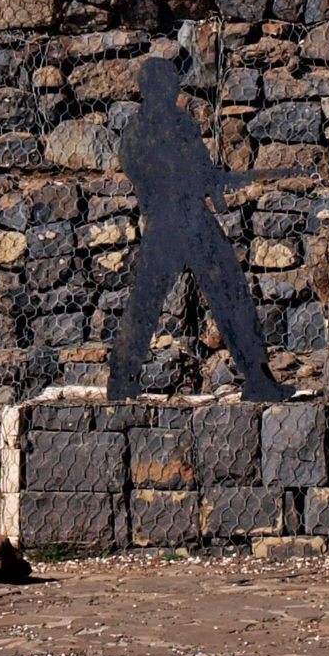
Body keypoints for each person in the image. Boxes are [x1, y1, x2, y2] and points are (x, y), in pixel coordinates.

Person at [108, 57, 286, 403]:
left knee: (231, 293)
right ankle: (122, 383)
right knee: (146, 303)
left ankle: (258, 380)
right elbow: (152, 176)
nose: (171, 92)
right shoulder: (138, 133)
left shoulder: (182, 126)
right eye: (165, 86)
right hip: (166, 223)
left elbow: (202, 173)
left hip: (194, 219)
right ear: (150, 90)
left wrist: (224, 181)